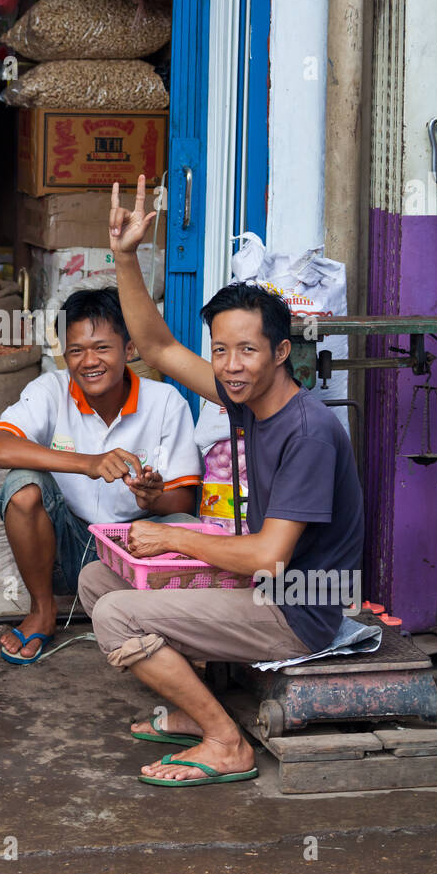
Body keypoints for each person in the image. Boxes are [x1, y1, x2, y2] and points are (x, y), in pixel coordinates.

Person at [77, 176, 364, 788]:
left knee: (117, 617)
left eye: (248, 351)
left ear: (281, 352)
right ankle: (192, 705)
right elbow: (154, 345)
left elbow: (268, 555)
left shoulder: (307, 432)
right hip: (262, 584)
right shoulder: (246, 401)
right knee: (98, 580)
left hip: (299, 605)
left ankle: (226, 741)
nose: (231, 367)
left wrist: (173, 537)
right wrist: (125, 256)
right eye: (221, 351)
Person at [0, 287, 203, 664]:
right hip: (65, 551)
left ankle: (150, 616)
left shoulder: (165, 403)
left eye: (102, 348)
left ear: (129, 350)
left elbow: (182, 503)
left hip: (131, 551)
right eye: (76, 350)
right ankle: (43, 609)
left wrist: (150, 497)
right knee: (22, 488)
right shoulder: (51, 390)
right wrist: (89, 462)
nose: (88, 361)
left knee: (182, 524)